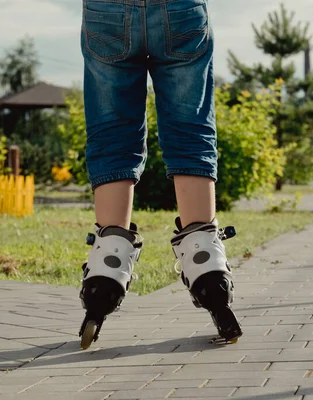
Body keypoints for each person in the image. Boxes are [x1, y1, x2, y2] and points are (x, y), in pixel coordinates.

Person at [78, 0, 242, 350]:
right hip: (180, 9)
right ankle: (207, 269)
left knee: (112, 135)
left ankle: (105, 276)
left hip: (106, 11)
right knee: (190, 132)